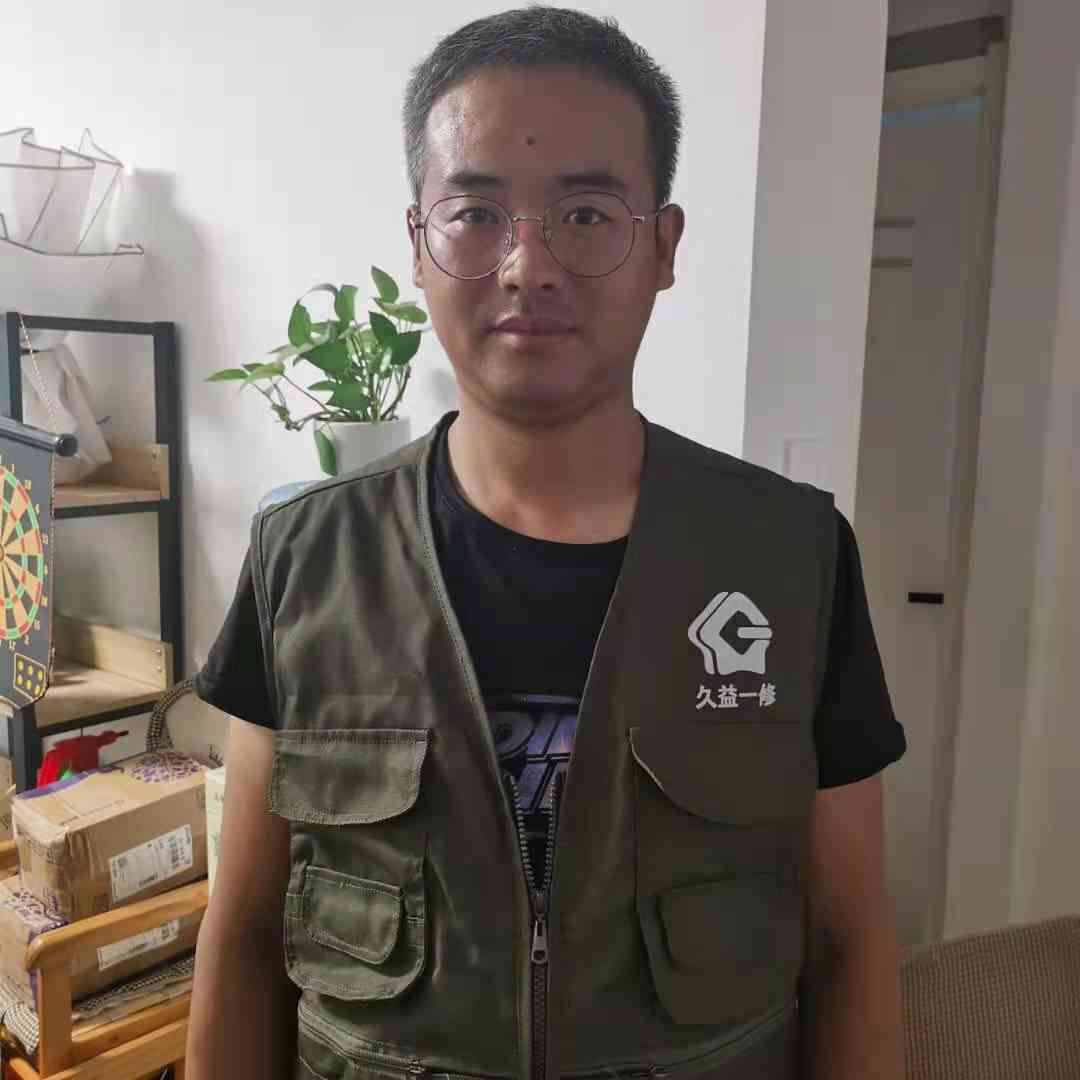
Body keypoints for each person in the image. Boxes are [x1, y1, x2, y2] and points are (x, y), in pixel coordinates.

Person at [185, 6, 908, 1079]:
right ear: (419, 246)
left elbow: (850, 944)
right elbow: (247, 940)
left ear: (662, 248)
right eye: (476, 213)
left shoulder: (789, 560)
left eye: (585, 213)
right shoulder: (305, 562)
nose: (528, 265)